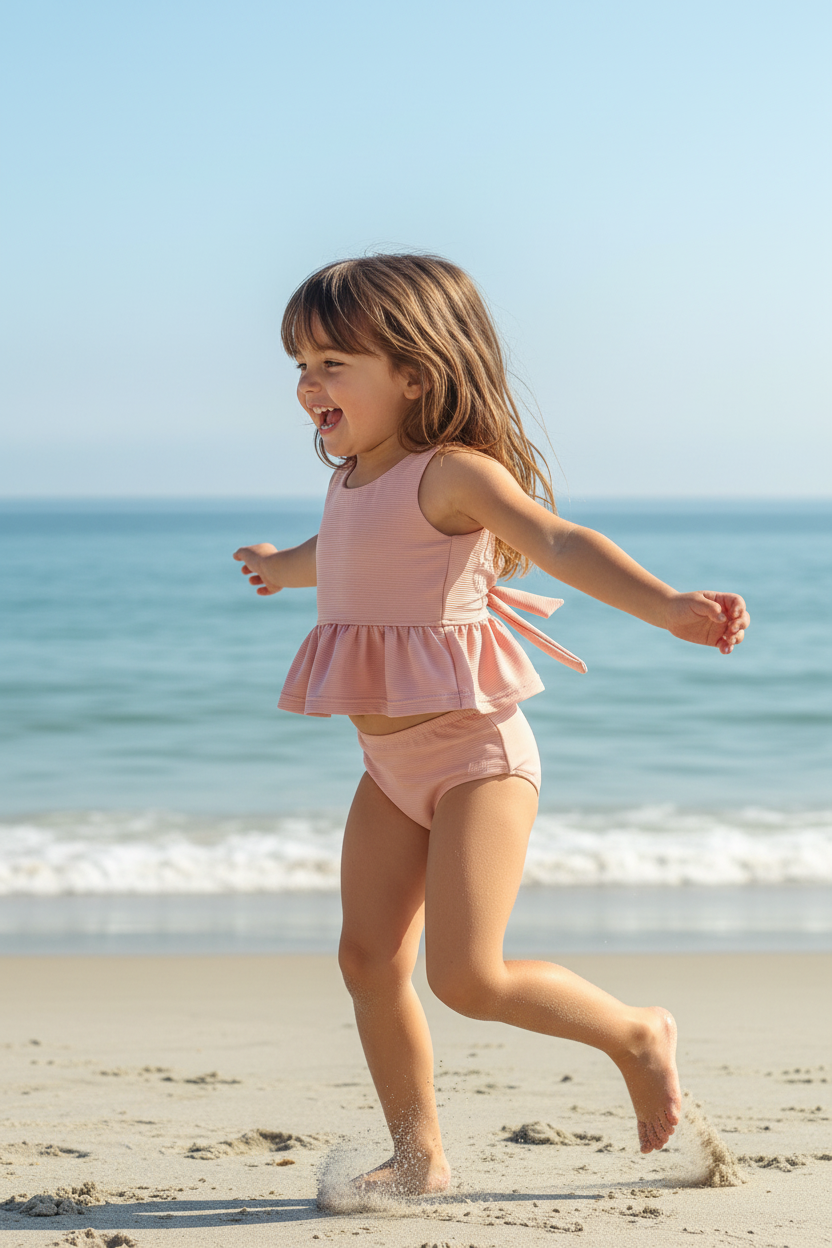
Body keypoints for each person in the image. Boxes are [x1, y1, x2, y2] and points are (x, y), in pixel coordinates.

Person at [233, 254, 749, 1196]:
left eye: (332, 362)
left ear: (415, 374)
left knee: (468, 978)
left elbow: (559, 543)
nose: (309, 384)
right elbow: (340, 553)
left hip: (477, 758)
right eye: (301, 365)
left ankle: (637, 1033)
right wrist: (282, 563)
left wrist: (670, 605)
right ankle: (419, 1156)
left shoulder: (453, 474)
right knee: (365, 959)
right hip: (386, 766)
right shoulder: (350, 480)